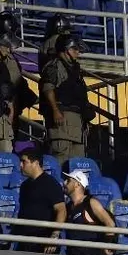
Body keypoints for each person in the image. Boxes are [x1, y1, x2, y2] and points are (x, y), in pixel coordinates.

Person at [40, 34, 94, 163]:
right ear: (66, 49)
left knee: (78, 163)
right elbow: (48, 89)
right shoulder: (54, 66)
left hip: (76, 122)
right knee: (61, 158)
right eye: (74, 49)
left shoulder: (75, 69)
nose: (77, 52)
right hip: (62, 118)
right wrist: (55, 110)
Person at [16, 147, 66, 253]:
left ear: (35, 163)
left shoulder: (51, 184)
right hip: (25, 241)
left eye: (24, 161)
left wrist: (54, 235)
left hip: (44, 242)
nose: (20, 165)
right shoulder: (24, 185)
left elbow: (61, 210)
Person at [63, 169, 116, 255]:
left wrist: (108, 243)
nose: (64, 183)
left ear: (77, 184)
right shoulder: (68, 207)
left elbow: (110, 224)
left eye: (68, 180)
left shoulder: (91, 202)